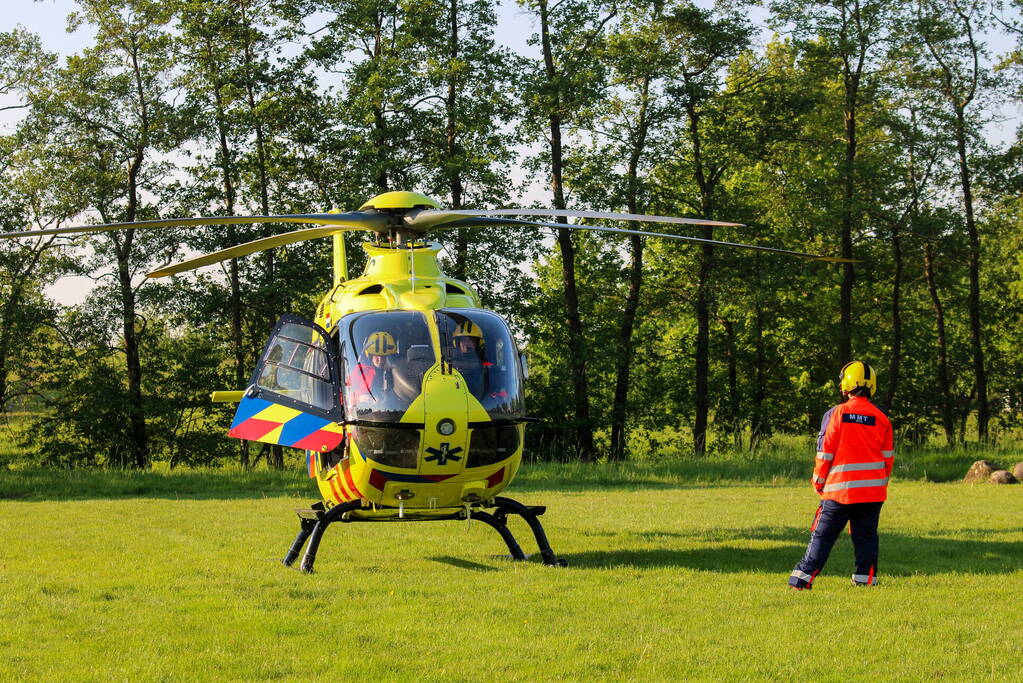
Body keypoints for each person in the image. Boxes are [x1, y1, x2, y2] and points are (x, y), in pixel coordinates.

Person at [789, 360, 894, 590]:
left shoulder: (836, 414)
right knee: (866, 538)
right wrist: (878, 485)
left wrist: (818, 481)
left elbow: (824, 452)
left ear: (847, 384)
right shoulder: (882, 419)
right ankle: (866, 582)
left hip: (839, 492)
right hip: (872, 493)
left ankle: (800, 581)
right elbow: (888, 460)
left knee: (822, 537)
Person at [346, 331, 398, 406]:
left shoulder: (398, 371)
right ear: (370, 356)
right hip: (366, 414)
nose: (380, 359)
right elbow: (344, 393)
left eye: (384, 356)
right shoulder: (360, 370)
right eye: (376, 355)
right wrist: (359, 398)